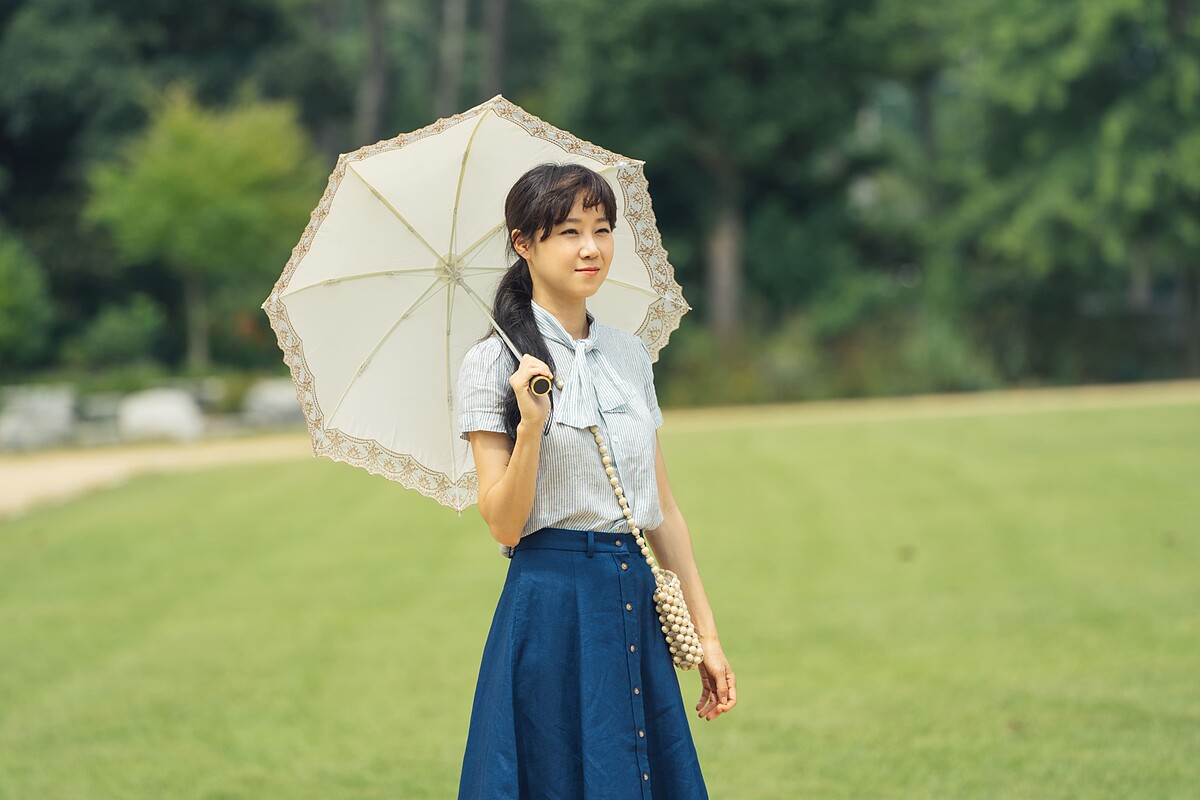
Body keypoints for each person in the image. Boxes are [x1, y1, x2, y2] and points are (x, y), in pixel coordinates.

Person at [455, 162, 735, 799]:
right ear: (523, 243)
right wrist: (529, 426)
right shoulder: (492, 362)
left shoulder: (628, 355)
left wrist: (708, 637)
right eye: (567, 231)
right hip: (550, 605)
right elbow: (501, 521)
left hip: (632, 597)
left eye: (602, 229)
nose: (590, 248)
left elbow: (660, 509)